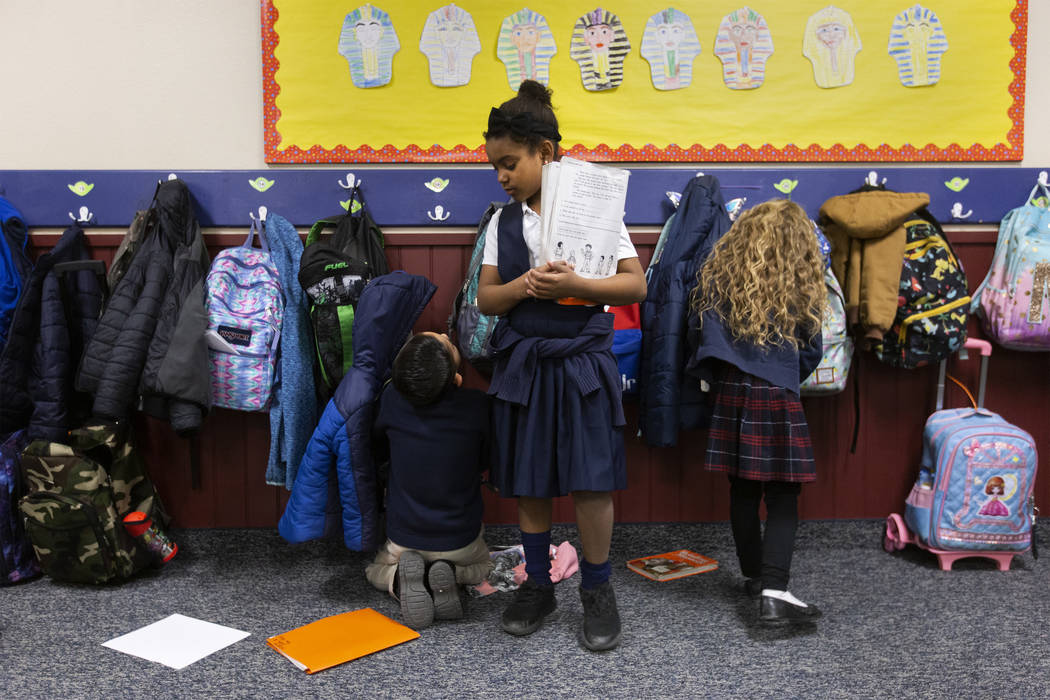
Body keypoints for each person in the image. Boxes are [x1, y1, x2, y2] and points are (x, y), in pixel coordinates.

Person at [477, 79, 647, 651]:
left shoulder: (596, 214)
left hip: (582, 363)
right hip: (526, 364)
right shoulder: (502, 224)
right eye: (495, 166)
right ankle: (538, 585)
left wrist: (576, 283)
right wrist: (524, 286)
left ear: (543, 153)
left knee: (592, 482)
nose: (501, 175)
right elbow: (485, 299)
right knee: (530, 483)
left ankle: (597, 590)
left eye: (509, 163)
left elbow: (636, 283)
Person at [686, 199, 826, 626]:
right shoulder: (800, 285)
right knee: (783, 497)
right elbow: (811, 352)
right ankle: (774, 590)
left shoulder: (719, 277)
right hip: (778, 394)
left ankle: (753, 576)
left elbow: (702, 339)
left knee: (743, 491)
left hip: (731, 394)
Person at [365, 332, 493, 630]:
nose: (447, 334)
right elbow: (485, 460)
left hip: (404, 538)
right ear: (452, 373)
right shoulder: (476, 405)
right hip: (460, 538)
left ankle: (397, 578)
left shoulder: (392, 401)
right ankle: (453, 573)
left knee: (373, 569)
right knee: (485, 566)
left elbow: (378, 446)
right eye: (446, 342)